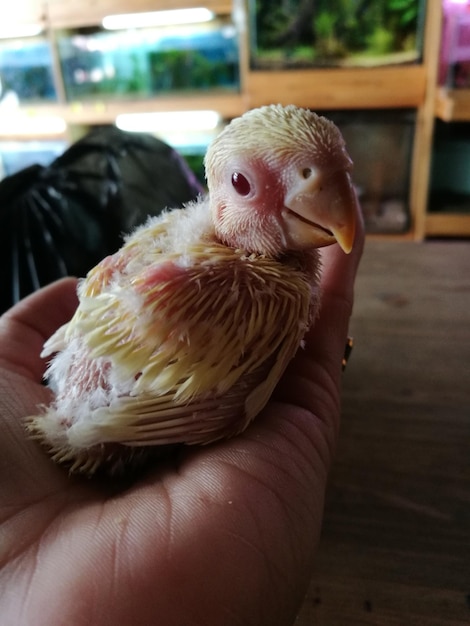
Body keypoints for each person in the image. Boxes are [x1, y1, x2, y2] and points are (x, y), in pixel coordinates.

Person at [0, 210, 364, 625]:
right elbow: (200, 400)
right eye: (244, 183)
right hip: (113, 416)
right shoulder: (273, 292)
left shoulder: (185, 239)